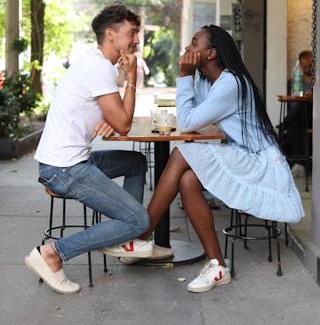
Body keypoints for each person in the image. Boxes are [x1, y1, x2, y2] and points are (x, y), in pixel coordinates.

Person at [101, 24, 304, 293]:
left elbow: (186, 122)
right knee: (187, 180)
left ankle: (140, 235)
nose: (187, 48)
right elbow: (196, 119)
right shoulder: (209, 80)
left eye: (194, 43)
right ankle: (218, 265)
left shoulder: (231, 83)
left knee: (182, 150)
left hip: (261, 163)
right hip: (240, 154)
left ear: (210, 53)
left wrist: (184, 75)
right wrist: (191, 78)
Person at [24, 4, 153, 294]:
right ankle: (53, 253)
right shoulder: (97, 67)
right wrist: (131, 80)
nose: (136, 40)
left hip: (71, 161)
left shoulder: (96, 64)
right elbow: (123, 123)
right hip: (64, 169)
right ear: (110, 34)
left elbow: (114, 118)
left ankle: (126, 240)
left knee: (135, 162)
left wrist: (111, 118)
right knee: (138, 219)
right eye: (131, 33)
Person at [280, 50, 313, 178]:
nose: (308, 69)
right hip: (300, 116)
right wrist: (304, 96)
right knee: (297, 114)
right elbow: (292, 104)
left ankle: (280, 127)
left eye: (310, 66)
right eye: (305, 67)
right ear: (300, 65)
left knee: (301, 109)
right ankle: (300, 164)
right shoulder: (295, 80)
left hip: (314, 116)